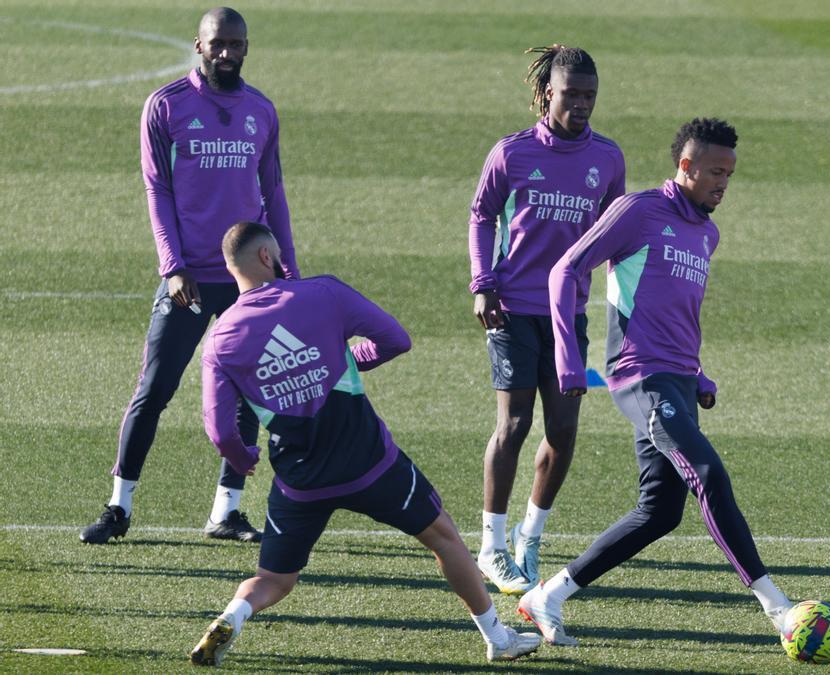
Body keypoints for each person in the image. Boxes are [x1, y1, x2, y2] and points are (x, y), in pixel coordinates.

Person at [189, 223, 541, 666]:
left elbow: (220, 431)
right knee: (444, 538)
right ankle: (498, 637)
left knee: (274, 579)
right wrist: (342, 362)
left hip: (301, 482)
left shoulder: (220, 339)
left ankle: (232, 617)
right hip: (373, 464)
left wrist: (244, 457)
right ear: (266, 258)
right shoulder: (323, 293)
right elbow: (396, 339)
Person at [518, 118, 793, 647]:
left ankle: (547, 595)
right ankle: (777, 608)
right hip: (639, 376)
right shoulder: (639, 211)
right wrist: (569, 360)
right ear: (685, 167)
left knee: (659, 512)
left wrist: (698, 373)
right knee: (709, 475)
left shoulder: (707, 233)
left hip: (678, 382)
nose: (723, 184)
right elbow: (565, 271)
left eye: (730, 175)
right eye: (715, 172)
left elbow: (677, 312)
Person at [80, 7, 300, 544]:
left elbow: (272, 191)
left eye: (236, 44)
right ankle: (118, 506)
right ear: (198, 46)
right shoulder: (166, 105)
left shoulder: (261, 111)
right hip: (190, 280)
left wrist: (288, 269)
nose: (227, 53)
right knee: (155, 389)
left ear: (247, 48)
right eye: (217, 44)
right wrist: (173, 268)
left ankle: (226, 511)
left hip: (250, 278)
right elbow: (158, 190)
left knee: (249, 391)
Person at [468, 45, 625, 593]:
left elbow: (616, 233)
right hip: (512, 308)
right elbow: (481, 215)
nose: (581, 104)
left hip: (568, 316)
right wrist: (482, 282)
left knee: (563, 429)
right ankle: (491, 546)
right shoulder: (510, 153)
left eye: (589, 96)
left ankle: (529, 539)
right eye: (571, 94)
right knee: (513, 424)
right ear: (545, 94)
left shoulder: (607, 158)